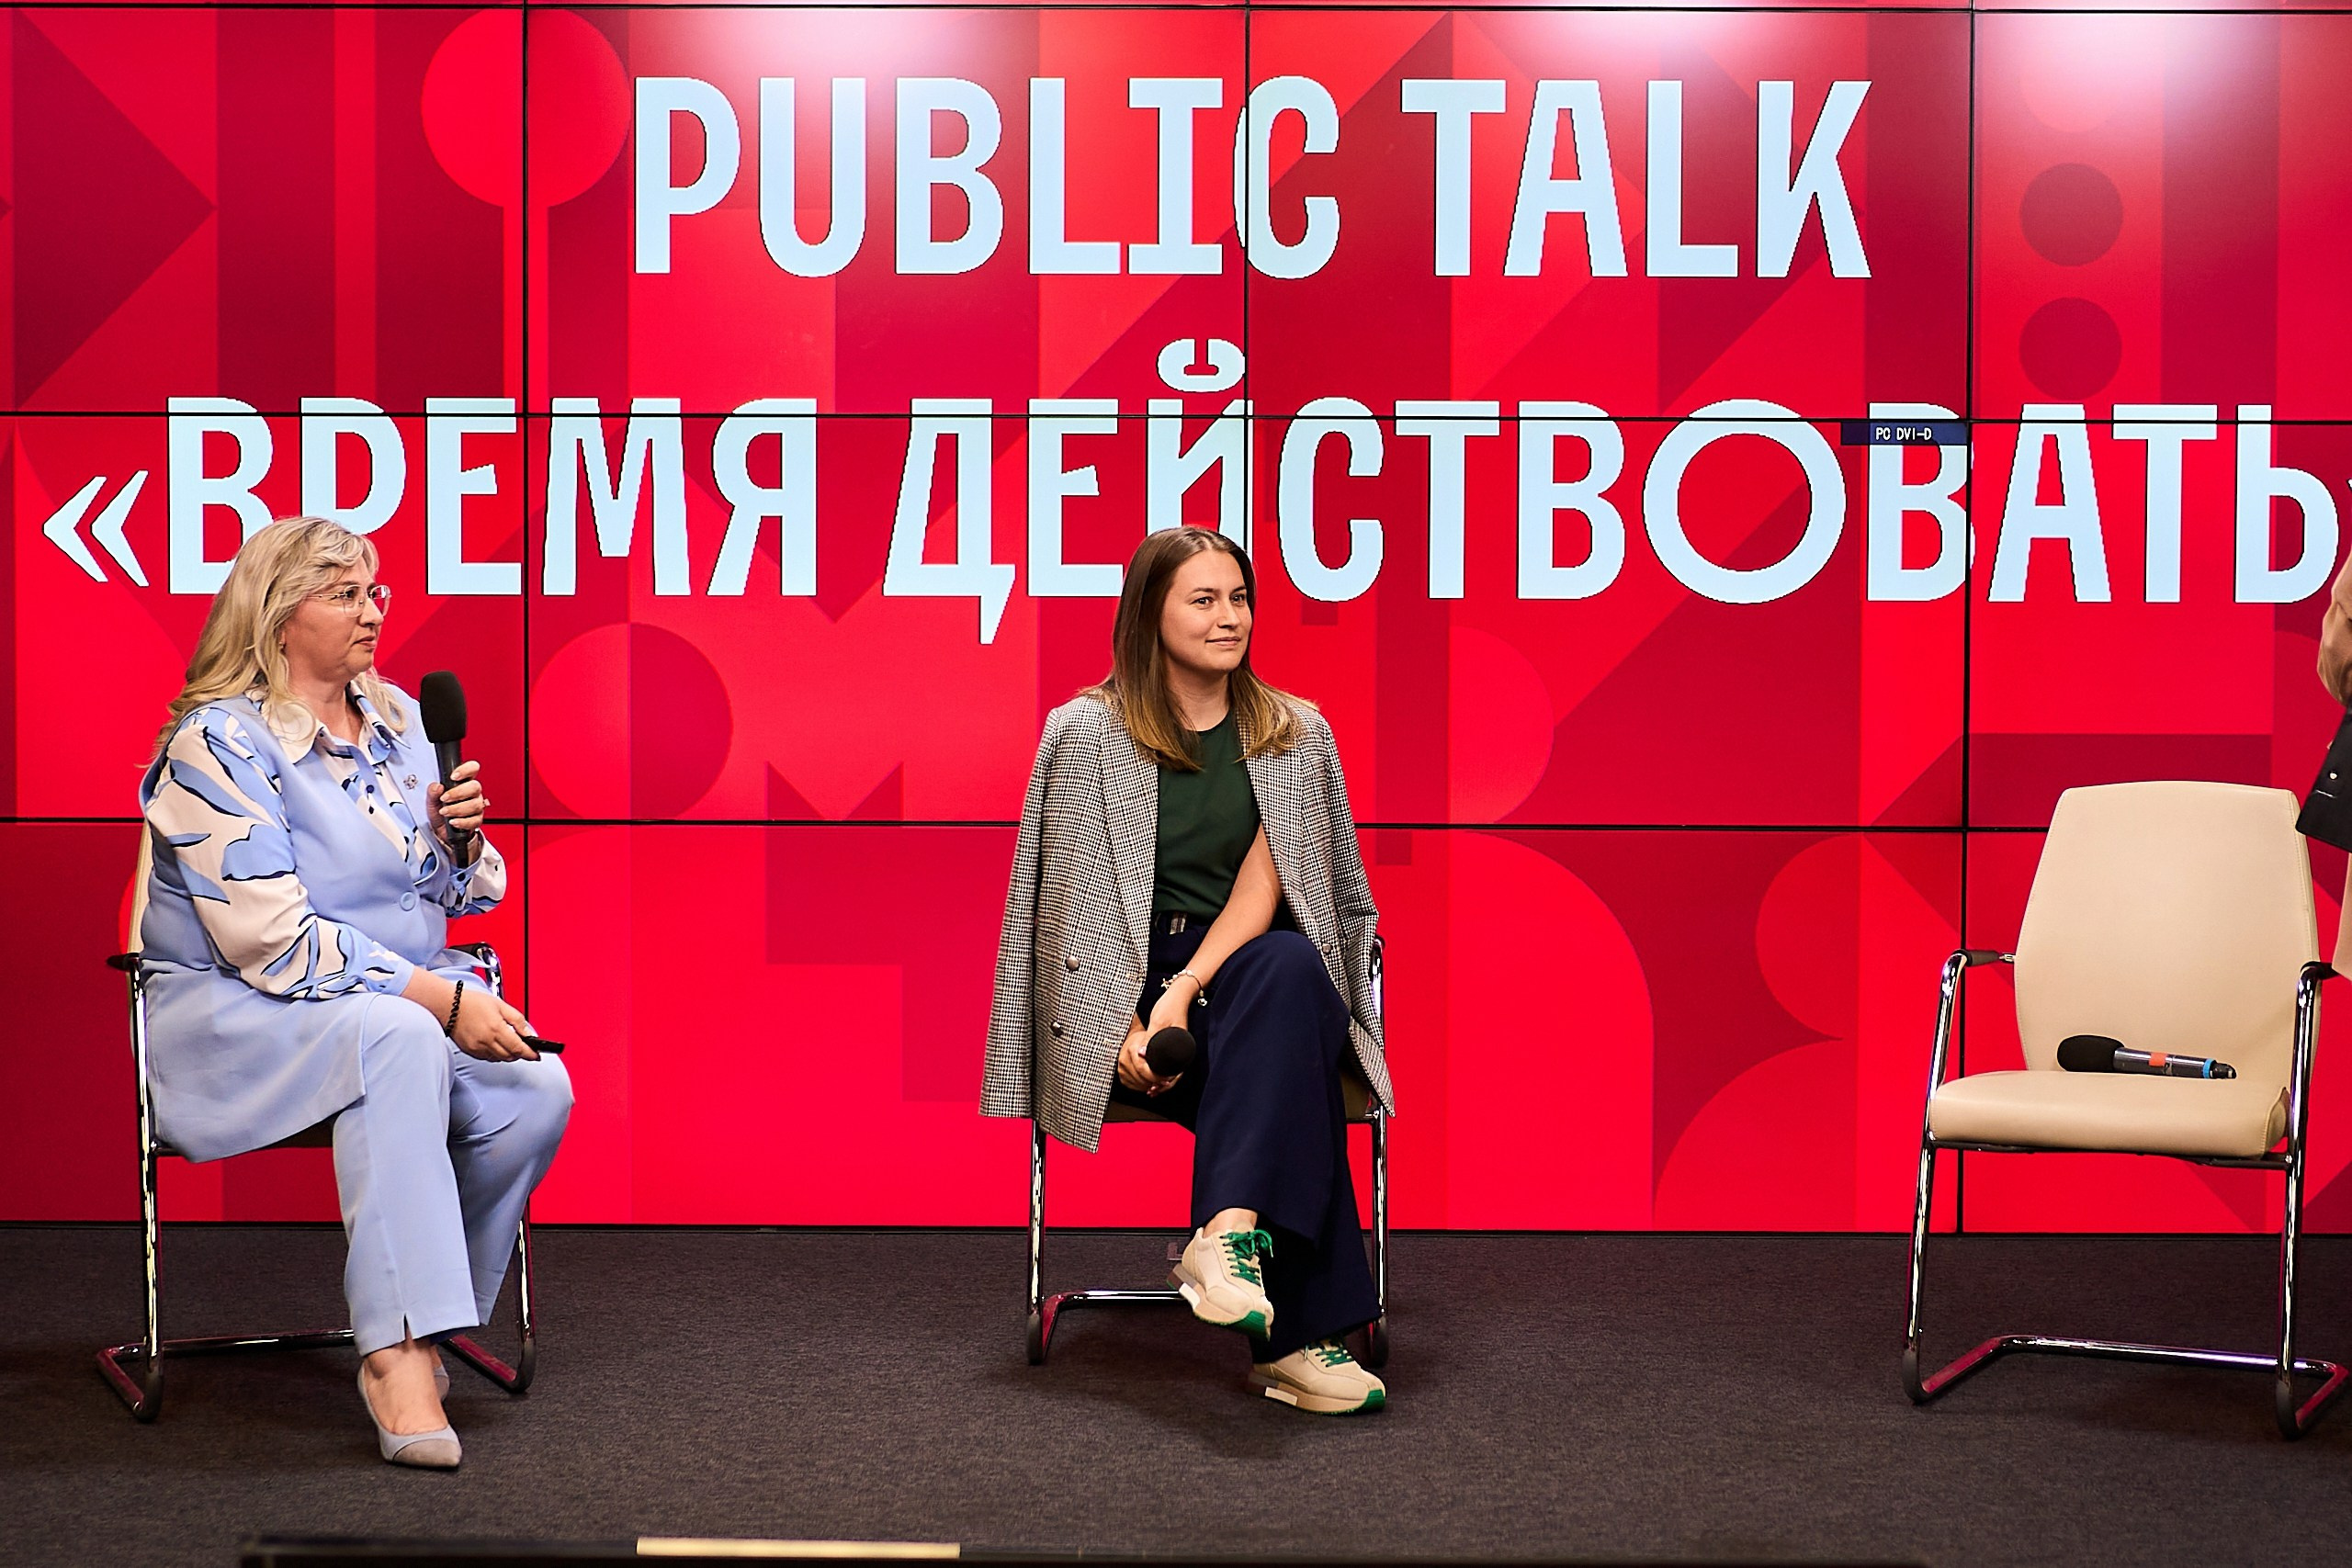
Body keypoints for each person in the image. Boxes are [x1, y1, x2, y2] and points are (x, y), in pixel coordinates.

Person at [138, 516, 571, 1469]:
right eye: (345, 594)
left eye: (375, 591)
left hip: (388, 1008)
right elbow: (271, 941)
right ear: (277, 615)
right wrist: (438, 1001)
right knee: (398, 1039)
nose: (373, 611)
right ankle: (397, 1352)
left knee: (535, 1089)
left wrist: (458, 841)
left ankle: (423, 1307)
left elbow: (455, 897)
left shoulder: (404, 721)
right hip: (241, 1017)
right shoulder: (217, 744)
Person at [983, 525, 1394, 1414]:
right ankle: (1298, 1343)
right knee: (1293, 1064)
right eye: (1203, 600)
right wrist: (1123, 1025)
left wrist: (1185, 990)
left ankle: (1226, 1233)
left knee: (1290, 964)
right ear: (1150, 614)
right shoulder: (1085, 732)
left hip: (1237, 976)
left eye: (1238, 598)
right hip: (1119, 987)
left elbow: (1272, 884)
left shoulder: (1294, 732)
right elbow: (1063, 906)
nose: (1228, 617)